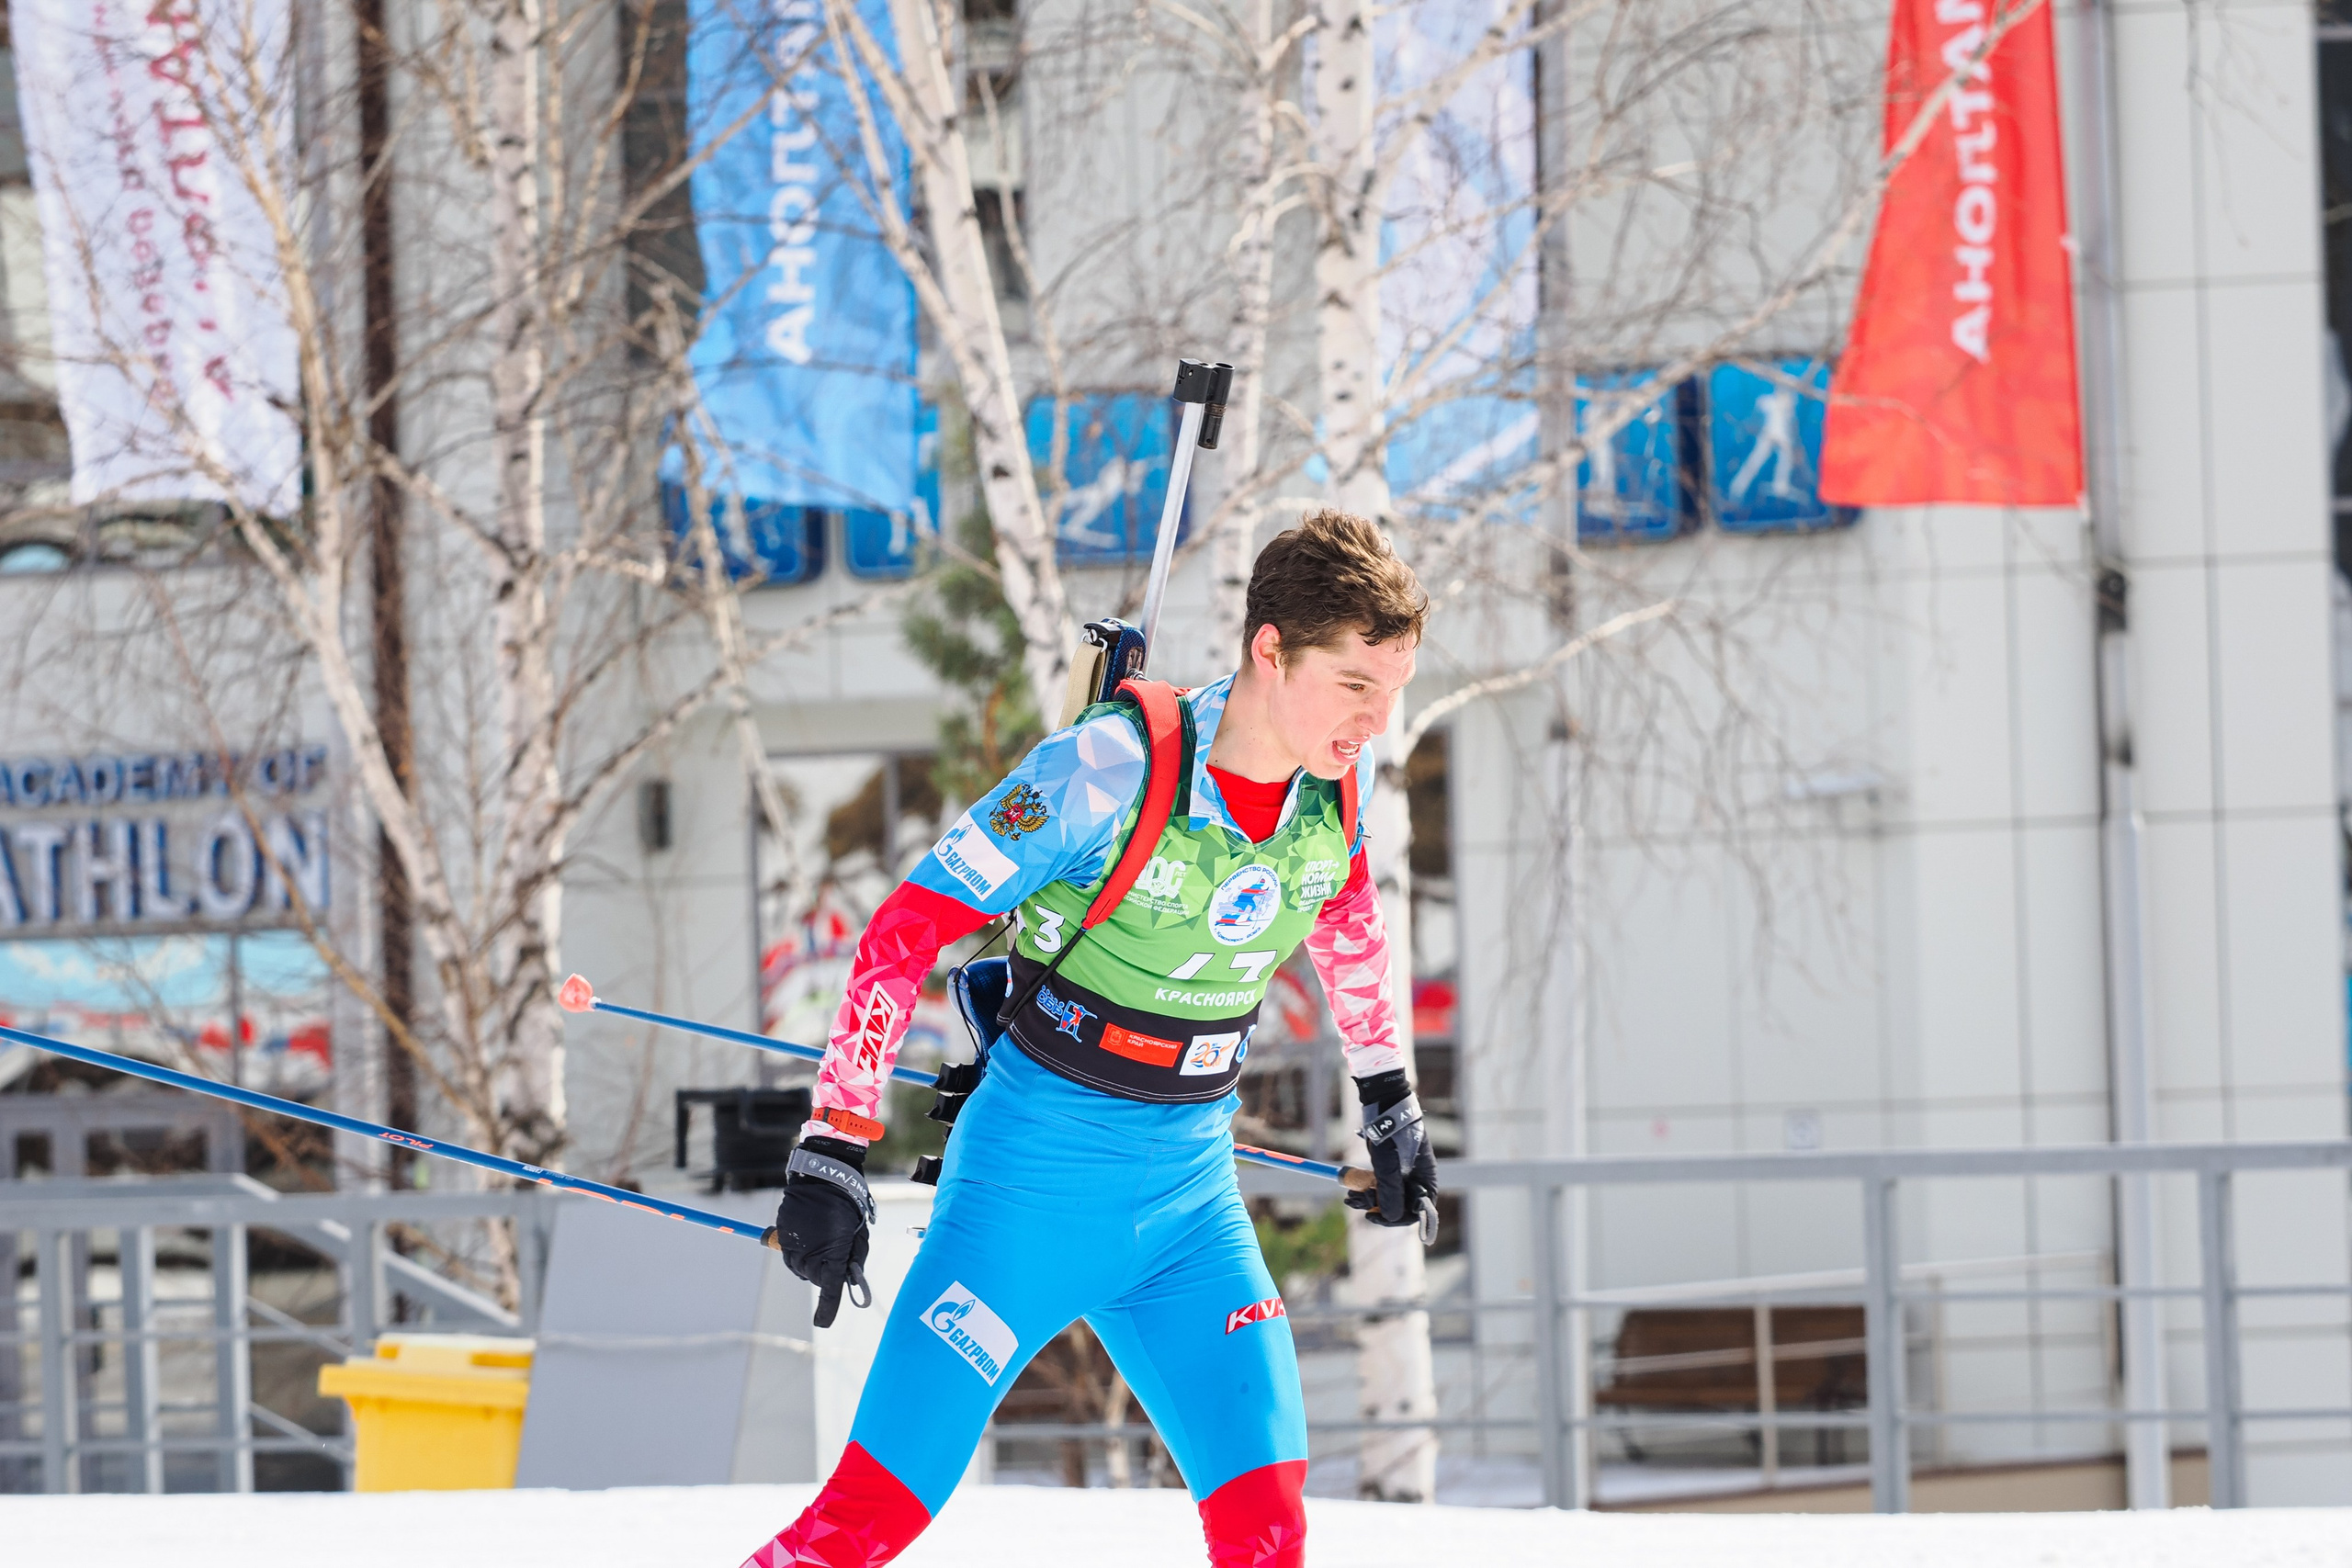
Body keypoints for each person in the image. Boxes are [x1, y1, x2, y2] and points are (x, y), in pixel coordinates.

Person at [741, 509, 1438, 1568]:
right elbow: (902, 931)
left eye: (1391, 692)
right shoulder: (1108, 768)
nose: (1375, 721)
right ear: (1270, 649)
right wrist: (834, 1141)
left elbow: (1344, 922)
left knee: (1269, 1535)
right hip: (1026, 1199)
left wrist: (1388, 1098)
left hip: (1190, 1215)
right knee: (861, 1528)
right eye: (1355, 686)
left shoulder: (1331, 788)